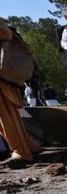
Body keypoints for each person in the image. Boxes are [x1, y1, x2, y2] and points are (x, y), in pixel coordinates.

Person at [0, 20, 42, 168]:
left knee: (7, 115)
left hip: (2, 77)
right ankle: (30, 146)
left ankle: (22, 151)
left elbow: (5, 32)